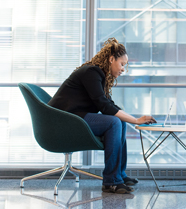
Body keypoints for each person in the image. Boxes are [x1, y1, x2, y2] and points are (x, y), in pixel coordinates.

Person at [48, 38, 156, 194]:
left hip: (75, 117)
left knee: (119, 121)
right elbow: (104, 107)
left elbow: (108, 104)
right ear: (111, 59)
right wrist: (135, 120)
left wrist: (133, 119)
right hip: (63, 120)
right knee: (114, 122)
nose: (123, 69)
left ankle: (119, 175)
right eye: (122, 64)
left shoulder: (98, 75)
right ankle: (111, 181)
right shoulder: (91, 72)